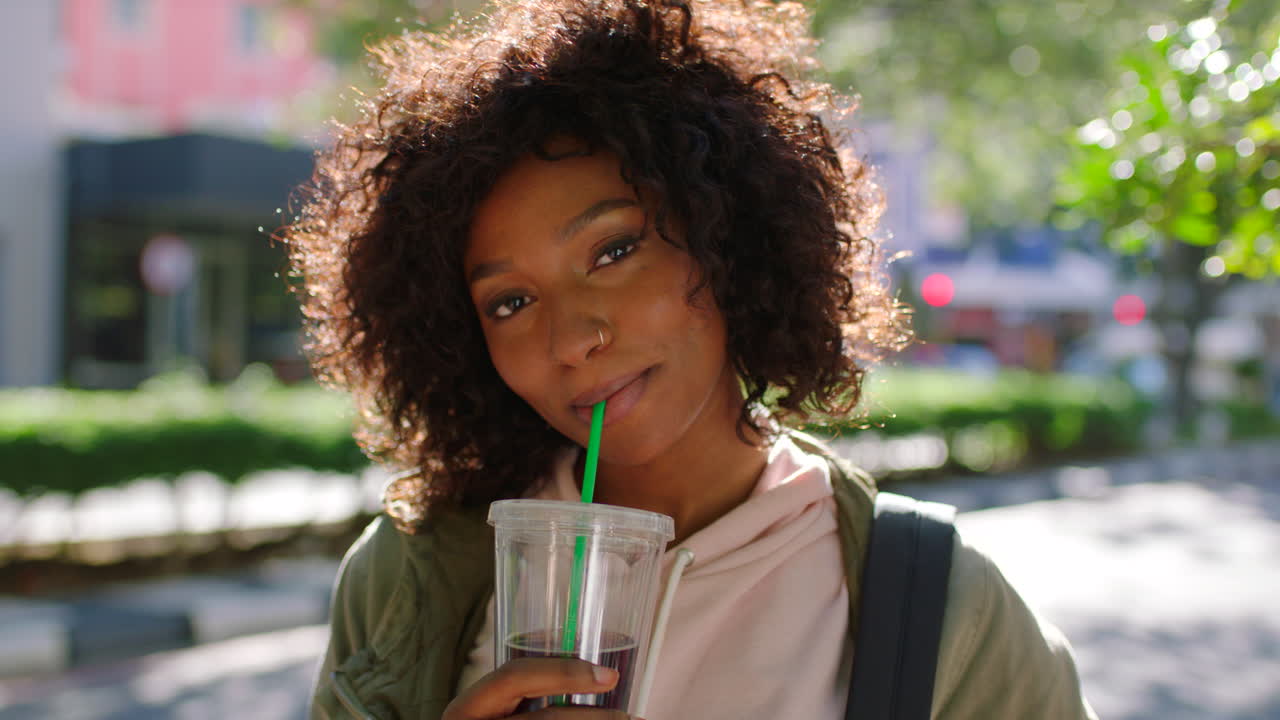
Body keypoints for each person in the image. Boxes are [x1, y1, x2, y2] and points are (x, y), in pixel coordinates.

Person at [286, 0, 1097, 718]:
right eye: (509, 302)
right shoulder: (407, 578)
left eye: (612, 251)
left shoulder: (943, 609)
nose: (571, 340)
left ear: (725, 239)